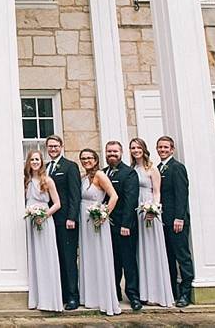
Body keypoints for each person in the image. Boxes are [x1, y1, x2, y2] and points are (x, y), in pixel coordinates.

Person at [130, 137, 174, 307]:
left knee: (152, 249)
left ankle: (157, 293)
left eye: (138, 147)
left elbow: (157, 192)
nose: (135, 150)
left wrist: (153, 210)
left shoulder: (152, 169)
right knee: (140, 250)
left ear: (144, 149)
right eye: (133, 148)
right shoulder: (132, 168)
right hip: (136, 211)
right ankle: (145, 292)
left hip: (149, 211)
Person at [78, 148, 121, 316]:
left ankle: (104, 297)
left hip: (97, 220)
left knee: (99, 256)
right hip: (85, 221)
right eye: (83, 158)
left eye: (89, 158)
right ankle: (91, 297)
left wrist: (104, 215)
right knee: (88, 257)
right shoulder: (82, 178)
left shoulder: (101, 176)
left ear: (96, 160)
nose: (86, 160)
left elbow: (114, 196)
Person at [156, 135, 194, 308]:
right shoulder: (158, 168)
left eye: (166, 147)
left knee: (182, 257)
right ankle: (172, 291)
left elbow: (181, 194)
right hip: (162, 221)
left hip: (176, 221)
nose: (162, 150)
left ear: (172, 149)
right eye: (160, 147)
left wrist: (180, 217)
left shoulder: (177, 168)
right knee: (168, 257)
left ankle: (185, 293)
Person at [104, 141, 141, 311]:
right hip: (106, 225)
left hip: (124, 225)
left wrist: (126, 224)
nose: (112, 154)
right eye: (109, 151)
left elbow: (130, 200)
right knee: (113, 260)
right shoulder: (103, 173)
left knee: (128, 261)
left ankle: (133, 294)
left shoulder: (129, 173)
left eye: (115, 151)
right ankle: (115, 292)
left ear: (121, 153)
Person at [24, 150, 63, 312]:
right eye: (32, 159)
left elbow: (57, 204)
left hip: (44, 221)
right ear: (28, 162)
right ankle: (36, 298)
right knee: (33, 258)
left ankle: (49, 299)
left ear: (41, 162)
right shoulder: (25, 181)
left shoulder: (47, 180)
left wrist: (44, 216)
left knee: (45, 257)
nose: (35, 162)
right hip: (30, 222)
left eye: (37, 159)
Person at [45, 134, 81, 311]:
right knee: (56, 257)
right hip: (50, 220)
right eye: (50, 146)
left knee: (68, 258)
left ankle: (73, 296)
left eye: (55, 146)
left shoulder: (70, 167)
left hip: (66, 220)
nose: (52, 149)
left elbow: (75, 195)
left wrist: (72, 218)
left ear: (61, 146)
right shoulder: (45, 168)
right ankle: (62, 293)